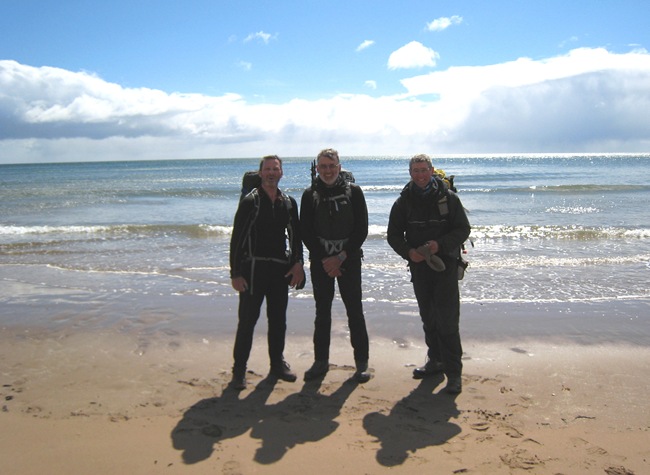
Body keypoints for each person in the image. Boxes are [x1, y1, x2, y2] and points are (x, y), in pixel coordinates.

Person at [387, 154, 471, 394]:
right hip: (419, 268)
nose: (420, 174)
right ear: (410, 173)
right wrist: (409, 252)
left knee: (447, 320)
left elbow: (463, 229)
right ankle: (435, 361)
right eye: (416, 170)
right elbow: (393, 235)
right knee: (428, 317)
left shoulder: (448, 199)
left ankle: (454, 374)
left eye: (424, 170)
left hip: (444, 266)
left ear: (432, 170)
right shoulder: (403, 202)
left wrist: (439, 246)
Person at [229, 155, 305, 390]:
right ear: (261, 173)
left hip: (279, 270)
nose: (272, 173)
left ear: (281, 173)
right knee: (247, 322)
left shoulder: (288, 202)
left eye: (276, 169)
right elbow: (237, 239)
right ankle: (239, 371)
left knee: (278, 321)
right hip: (252, 270)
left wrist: (297, 264)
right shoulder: (250, 201)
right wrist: (235, 273)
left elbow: (295, 237)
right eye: (268, 169)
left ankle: (277, 365)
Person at [300, 148, 371, 383]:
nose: (328, 170)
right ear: (317, 169)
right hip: (321, 261)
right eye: (323, 166)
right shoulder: (309, 195)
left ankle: (361, 364)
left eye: (332, 166)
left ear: (339, 167)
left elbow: (362, 230)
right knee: (322, 313)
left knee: (354, 311)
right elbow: (306, 232)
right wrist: (325, 259)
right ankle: (321, 362)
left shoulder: (355, 192)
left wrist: (340, 257)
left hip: (348, 259)